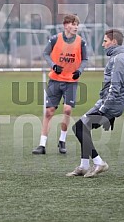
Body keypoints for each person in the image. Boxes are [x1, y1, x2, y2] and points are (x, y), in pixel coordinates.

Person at [66, 29, 124, 178]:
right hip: (108, 103)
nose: (103, 44)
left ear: (114, 42)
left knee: (79, 127)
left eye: (105, 41)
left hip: (110, 104)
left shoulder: (119, 59)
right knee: (82, 127)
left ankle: (99, 162)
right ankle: (84, 166)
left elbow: (115, 88)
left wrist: (104, 110)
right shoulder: (120, 57)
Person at [32, 14, 88, 154]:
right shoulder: (55, 39)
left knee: (67, 110)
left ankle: (62, 141)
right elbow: (45, 54)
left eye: (77, 25)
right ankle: (42, 145)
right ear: (65, 25)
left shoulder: (81, 42)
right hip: (55, 81)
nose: (75, 27)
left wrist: (79, 71)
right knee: (49, 112)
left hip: (71, 82)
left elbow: (85, 59)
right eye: (73, 24)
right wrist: (53, 65)